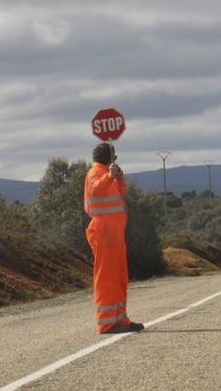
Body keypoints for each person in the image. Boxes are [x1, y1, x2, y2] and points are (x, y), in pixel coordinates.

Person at [84, 142, 144, 334]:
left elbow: (120, 194)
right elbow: (95, 190)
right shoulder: (95, 173)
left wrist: (118, 179)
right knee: (107, 279)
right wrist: (109, 176)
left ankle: (120, 319)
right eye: (114, 158)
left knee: (119, 278)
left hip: (114, 236)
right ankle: (106, 323)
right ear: (109, 158)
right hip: (104, 234)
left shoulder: (104, 174)